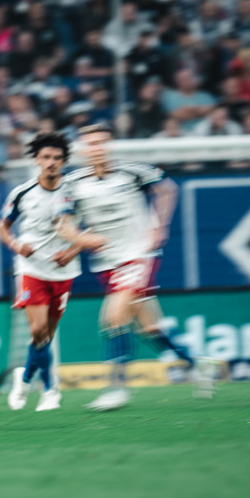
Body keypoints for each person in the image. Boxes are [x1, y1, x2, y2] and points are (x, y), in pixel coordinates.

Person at [58, 124, 208, 412]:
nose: (97, 148)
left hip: (139, 254)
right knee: (150, 325)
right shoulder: (73, 184)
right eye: (91, 144)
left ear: (110, 145)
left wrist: (160, 226)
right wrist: (80, 239)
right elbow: (64, 224)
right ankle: (199, 366)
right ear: (83, 149)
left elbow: (167, 188)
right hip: (106, 262)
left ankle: (117, 389)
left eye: (102, 142)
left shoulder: (134, 172)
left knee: (112, 317)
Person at [0, 133, 80, 411]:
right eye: (46, 157)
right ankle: (50, 389)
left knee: (44, 337)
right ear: (37, 160)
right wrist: (17, 245)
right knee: (37, 329)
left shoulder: (74, 191)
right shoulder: (22, 193)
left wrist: (71, 251)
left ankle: (25, 376)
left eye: (57, 158)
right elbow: (2, 228)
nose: (51, 163)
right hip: (31, 268)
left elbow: (91, 228)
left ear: (64, 161)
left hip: (63, 270)